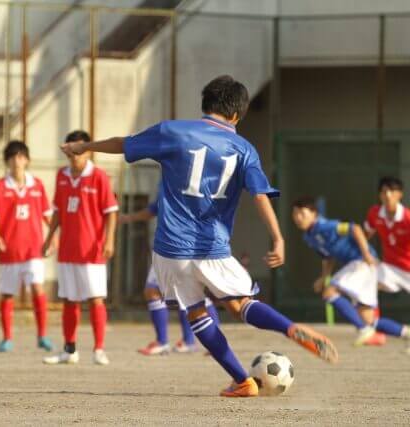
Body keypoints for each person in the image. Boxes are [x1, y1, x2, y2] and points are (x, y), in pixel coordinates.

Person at [60, 75, 338, 397]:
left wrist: (86, 146)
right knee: (240, 304)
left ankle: (242, 380)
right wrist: (279, 238)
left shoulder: (172, 131)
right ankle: (287, 328)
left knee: (195, 312)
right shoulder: (243, 148)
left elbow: (125, 144)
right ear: (236, 115)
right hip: (213, 248)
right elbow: (260, 195)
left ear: (205, 105)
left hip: (170, 248)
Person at [42, 130, 119, 366]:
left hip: (92, 251)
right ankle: (69, 350)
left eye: (79, 150)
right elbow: (58, 211)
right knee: (69, 300)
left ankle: (98, 349)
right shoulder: (62, 176)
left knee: (95, 299)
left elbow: (111, 212)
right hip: (67, 250)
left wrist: (109, 240)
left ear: (88, 151)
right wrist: (48, 238)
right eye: (72, 150)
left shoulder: (99, 177)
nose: (75, 156)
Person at [292, 197, 408, 346]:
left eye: (302, 213)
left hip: (361, 262)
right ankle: (406, 333)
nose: (298, 218)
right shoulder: (309, 237)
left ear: (314, 213)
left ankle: (364, 330)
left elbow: (355, 228)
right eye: (295, 214)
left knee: (330, 293)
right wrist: (324, 277)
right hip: (359, 267)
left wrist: (366, 254)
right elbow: (328, 257)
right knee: (369, 320)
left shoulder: (324, 226)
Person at [120, 195, 219, 355]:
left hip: (177, 247)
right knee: (188, 292)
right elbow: (153, 210)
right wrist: (129, 217)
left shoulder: (183, 184)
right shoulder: (175, 183)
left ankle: (163, 341)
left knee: (153, 290)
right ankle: (195, 342)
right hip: (183, 246)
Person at [0, 141, 53, 353]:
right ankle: (7, 338)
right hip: (10, 250)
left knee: (37, 288)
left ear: (27, 160)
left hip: (34, 249)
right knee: (7, 294)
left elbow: (47, 216)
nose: (17, 161)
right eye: (13, 157)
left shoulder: (37, 185)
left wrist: (54, 238)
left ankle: (42, 335)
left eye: (21, 157)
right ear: (7, 161)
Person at [364, 177, 410, 353]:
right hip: (389, 268)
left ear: (400, 194)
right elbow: (365, 235)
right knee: (367, 283)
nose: (387, 195)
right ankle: (372, 330)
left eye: (392, 191)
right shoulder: (375, 213)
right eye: (384, 191)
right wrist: (365, 255)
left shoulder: (407, 218)